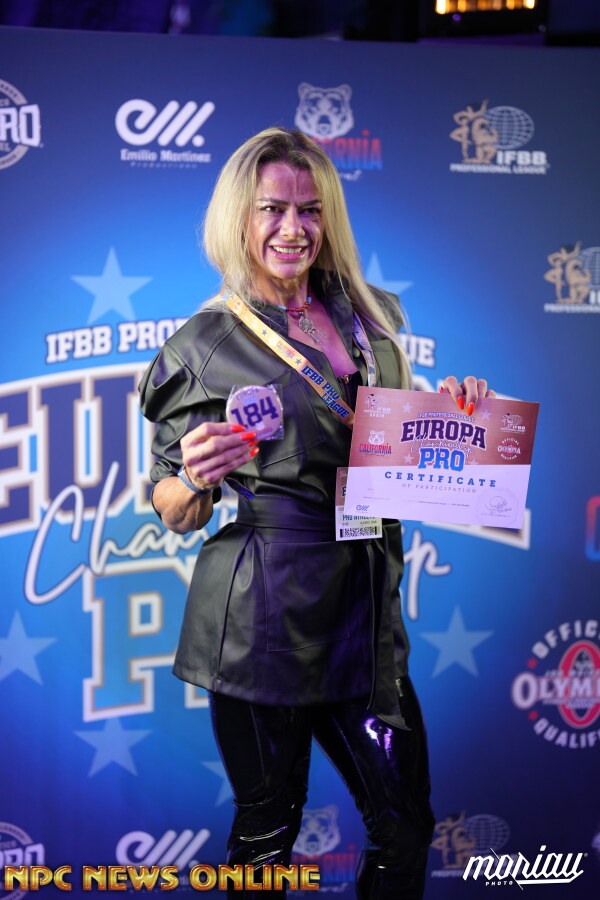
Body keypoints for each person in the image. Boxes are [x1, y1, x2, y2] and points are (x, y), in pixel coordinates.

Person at [139, 127, 495, 899]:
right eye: (272, 209)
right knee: (267, 836)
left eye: (309, 209)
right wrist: (194, 476)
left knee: (405, 825)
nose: (292, 228)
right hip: (263, 616)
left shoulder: (369, 321)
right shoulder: (204, 344)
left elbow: (395, 449)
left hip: (364, 612)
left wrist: (456, 414)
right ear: (240, 216)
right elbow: (172, 507)